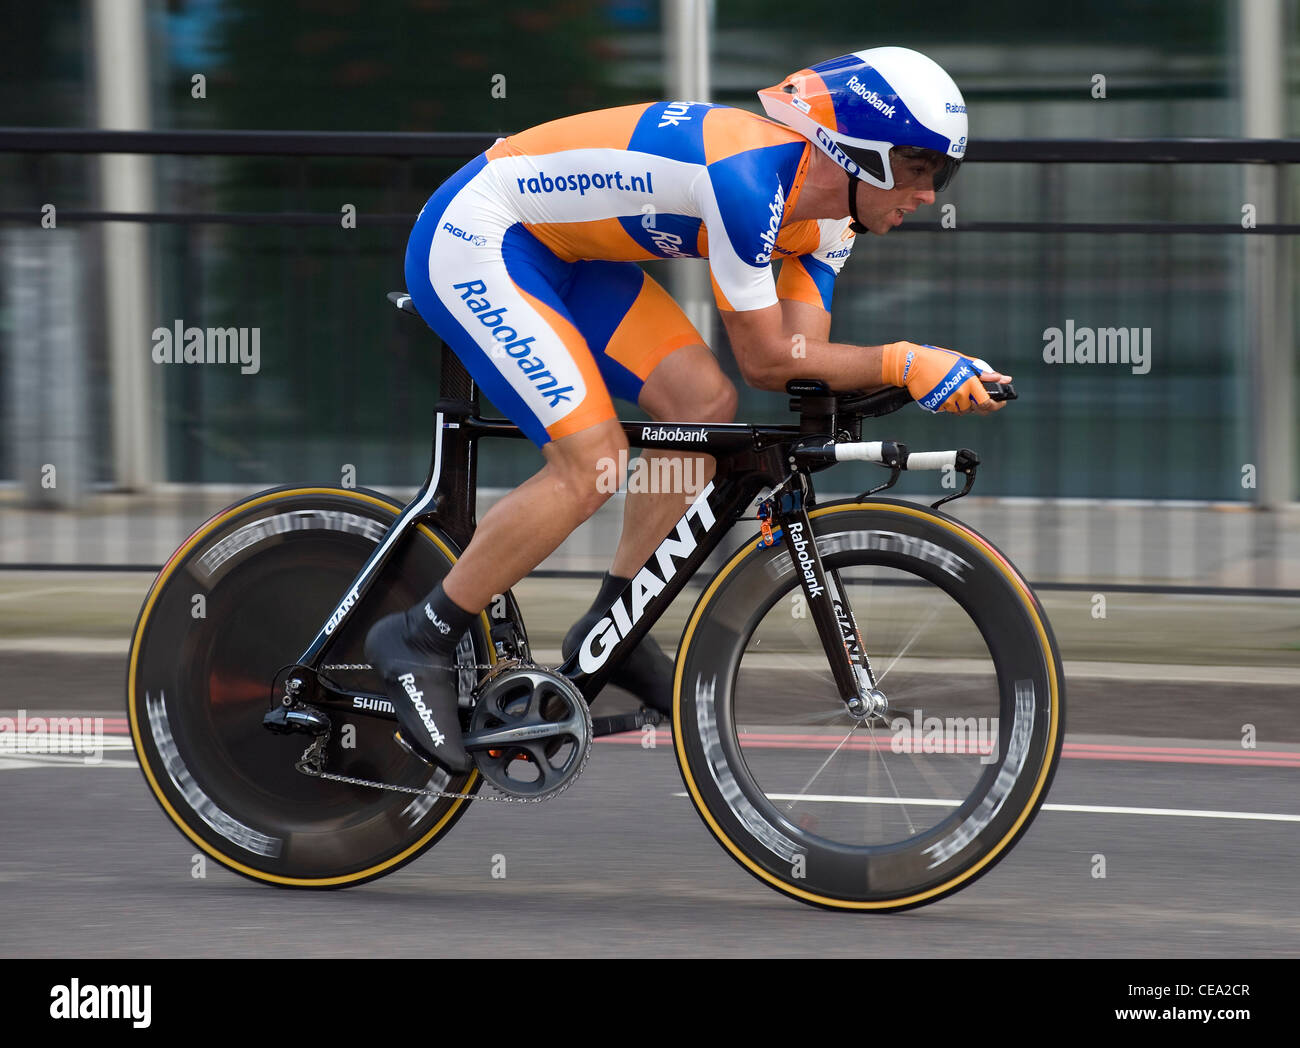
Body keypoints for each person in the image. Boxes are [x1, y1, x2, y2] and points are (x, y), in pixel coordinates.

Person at [365, 46, 1012, 774]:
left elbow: (804, 358)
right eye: (922, 169)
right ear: (859, 151)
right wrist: (905, 362)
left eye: (940, 174)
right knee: (594, 463)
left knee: (703, 405)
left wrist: (924, 376)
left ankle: (618, 623)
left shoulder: (832, 223)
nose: (930, 194)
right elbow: (770, 357)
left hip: (570, 259)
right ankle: (419, 636)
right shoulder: (745, 180)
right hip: (482, 237)